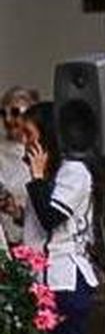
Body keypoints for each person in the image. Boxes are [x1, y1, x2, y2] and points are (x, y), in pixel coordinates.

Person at [17, 103, 97, 334]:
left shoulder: (74, 172)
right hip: (42, 281)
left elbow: (52, 217)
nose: (25, 142)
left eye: (29, 135)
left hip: (65, 280)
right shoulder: (50, 174)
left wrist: (37, 178)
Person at [0, 86, 41, 245]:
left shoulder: (44, 151)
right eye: (3, 113)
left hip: (37, 243)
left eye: (16, 112)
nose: (8, 119)